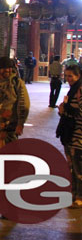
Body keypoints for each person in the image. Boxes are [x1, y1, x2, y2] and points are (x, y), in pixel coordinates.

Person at [57, 65, 82, 209]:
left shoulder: (79, 90)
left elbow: (80, 113)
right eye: (66, 76)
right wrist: (62, 111)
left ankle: (79, 197)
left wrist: (65, 109)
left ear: (78, 76)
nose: (68, 79)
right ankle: (73, 194)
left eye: (71, 76)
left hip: (78, 135)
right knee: (71, 166)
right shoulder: (72, 90)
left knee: (79, 168)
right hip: (69, 134)